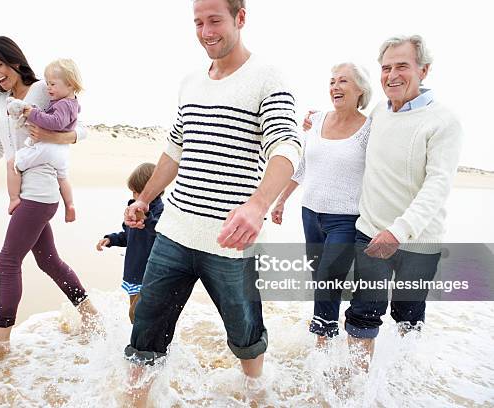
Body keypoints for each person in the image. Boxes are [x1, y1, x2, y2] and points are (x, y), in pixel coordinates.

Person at [122, 0, 302, 404]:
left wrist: (257, 206)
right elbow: (174, 149)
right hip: (174, 232)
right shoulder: (190, 82)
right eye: (198, 22)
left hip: (231, 242)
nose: (206, 31)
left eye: (215, 20)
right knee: (147, 330)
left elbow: (287, 145)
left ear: (241, 18)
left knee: (245, 333)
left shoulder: (268, 77)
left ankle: (257, 393)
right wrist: (145, 200)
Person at [0, 36, 99, 358]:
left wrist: (58, 135)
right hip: (24, 191)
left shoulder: (44, 89)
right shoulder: (2, 102)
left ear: (14, 60)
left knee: (7, 261)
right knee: (49, 261)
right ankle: (91, 316)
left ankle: (0, 342)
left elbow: (82, 128)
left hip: (40, 191)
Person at [342, 35, 463, 371]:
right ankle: (357, 389)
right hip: (369, 232)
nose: (391, 75)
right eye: (386, 68)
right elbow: (349, 132)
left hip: (418, 242)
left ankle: (401, 384)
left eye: (402, 66)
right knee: (363, 312)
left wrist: (398, 231)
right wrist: (317, 122)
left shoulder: (444, 122)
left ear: (423, 70)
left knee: (407, 318)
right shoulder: (379, 111)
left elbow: (437, 186)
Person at [271, 63, 372, 347]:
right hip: (310, 215)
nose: (335, 87)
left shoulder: (370, 129)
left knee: (328, 279)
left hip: (346, 219)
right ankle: (329, 339)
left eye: (343, 82)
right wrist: (281, 200)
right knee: (322, 282)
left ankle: (322, 345)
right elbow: (303, 166)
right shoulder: (316, 122)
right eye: (332, 82)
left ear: (360, 90)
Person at [6, 58, 83, 222]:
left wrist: (32, 113)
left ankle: (13, 199)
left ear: (70, 84)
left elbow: (55, 122)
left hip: (48, 147)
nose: (48, 88)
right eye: (47, 83)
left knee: (12, 164)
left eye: (53, 84)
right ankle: (70, 205)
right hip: (61, 151)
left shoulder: (63, 104)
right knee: (62, 177)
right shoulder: (73, 103)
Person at [96, 163, 164, 324]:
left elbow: (159, 234)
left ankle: (144, 344)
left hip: (151, 273)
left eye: (136, 191)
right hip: (134, 271)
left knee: (136, 313)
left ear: (152, 191)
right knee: (135, 317)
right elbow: (127, 236)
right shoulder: (131, 211)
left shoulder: (160, 213)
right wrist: (111, 239)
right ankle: (139, 343)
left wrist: (146, 219)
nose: (133, 195)